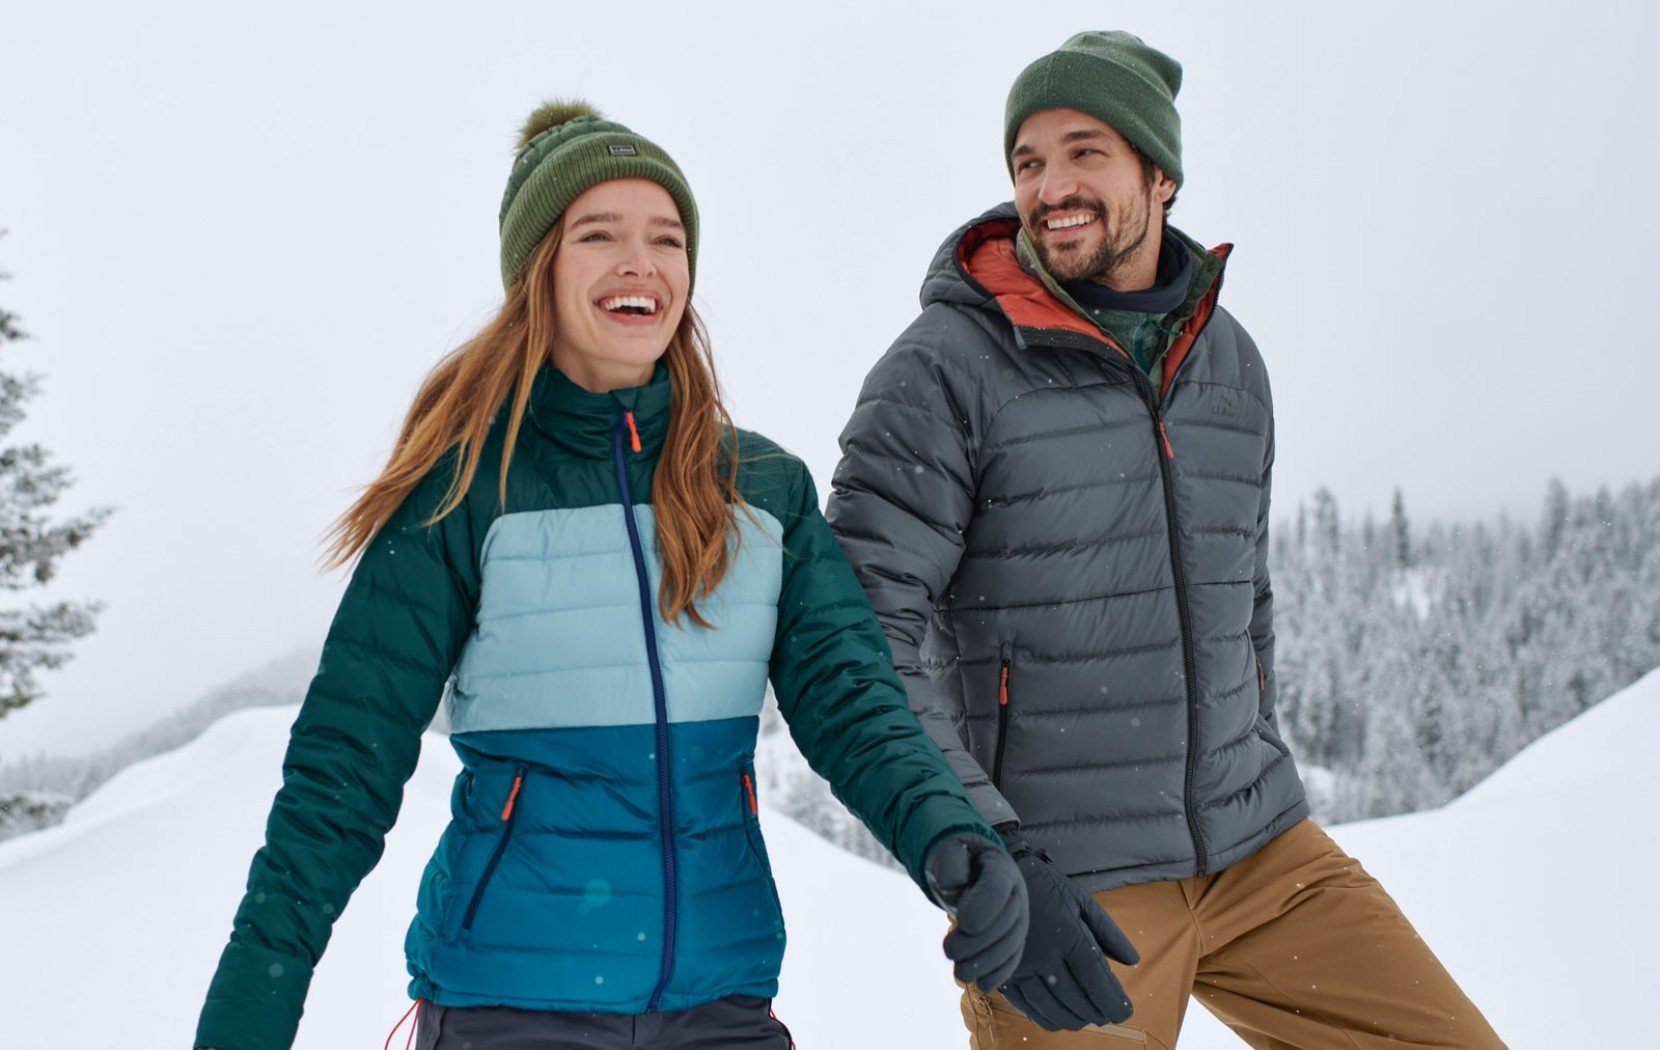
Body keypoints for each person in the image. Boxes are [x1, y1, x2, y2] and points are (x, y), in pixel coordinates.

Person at [194, 101, 1030, 1050]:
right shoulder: (464, 494)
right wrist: (249, 1011)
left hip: (721, 1006)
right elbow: (342, 774)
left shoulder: (763, 490)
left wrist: (949, 836)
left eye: (666, 238)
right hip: (510, 1010)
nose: (642, 262)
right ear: (537, 271)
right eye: (599, 235)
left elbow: (853, 703)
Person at [826, 32, 1505, 1049]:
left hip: (1260, 855)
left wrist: (1252, 755)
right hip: (1069, 880)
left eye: (1084, 152)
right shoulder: (943, 369)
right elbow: (860, 638)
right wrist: (986, 854)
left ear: (1161, 175)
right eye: (1027, 160)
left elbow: (1245, 599)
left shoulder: (1230, 365)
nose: (1050, 185)